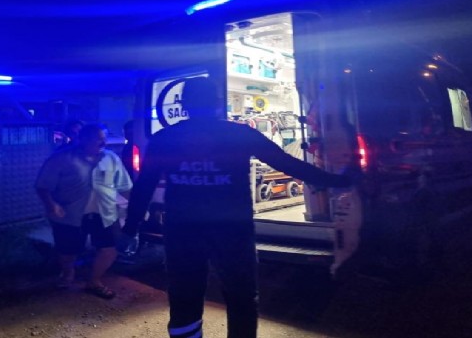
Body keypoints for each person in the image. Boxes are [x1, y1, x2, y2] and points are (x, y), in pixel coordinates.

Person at [122, 77, 353, 338]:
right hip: (232, 231)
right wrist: (339, 180)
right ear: (217, 103)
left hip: (183, 231)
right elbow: (288, 164)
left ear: (184, 105)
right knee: (241, 295)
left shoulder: (165, 139)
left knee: (185, 295)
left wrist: (130, 228)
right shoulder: (240, 134)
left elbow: (144, 186)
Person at [35, 123, 133, 299]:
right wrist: (52, 205)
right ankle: (68, 273)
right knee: (67, 250)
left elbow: (125, 186)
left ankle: (94, 281)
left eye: (104, 139)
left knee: (110, 249)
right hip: (70, 214)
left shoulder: (111, 158)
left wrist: (136, 207)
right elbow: (42, 186)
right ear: (83, 139)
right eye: (98, 139)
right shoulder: (61, 158)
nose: (103, 143)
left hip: (104, 213)